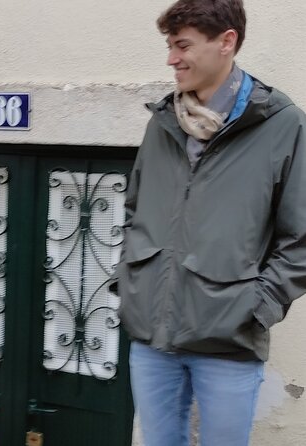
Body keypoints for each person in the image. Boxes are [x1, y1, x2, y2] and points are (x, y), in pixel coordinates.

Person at [117, 1, 306, 445]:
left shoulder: (283, 126)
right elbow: (134, 212)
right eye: (168, 45)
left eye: (182, 45)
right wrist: (132, 283)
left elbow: (300, 240)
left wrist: (256, 308)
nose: (171, 59)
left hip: (229, 342)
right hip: (152, 336)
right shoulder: (163, 123)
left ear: (227, 42)